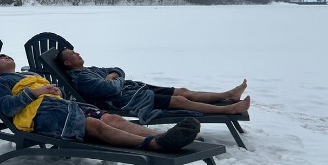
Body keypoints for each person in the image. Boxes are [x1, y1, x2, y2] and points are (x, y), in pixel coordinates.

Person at [0, 54, 201, 152]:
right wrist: (37, 91)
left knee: (113, 118)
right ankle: (153, 145)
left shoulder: (25, 75)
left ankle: (163, 137)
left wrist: (53, 90)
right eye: (2, 58)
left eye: (8, 55)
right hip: (45, 116)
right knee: (96, 126)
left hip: (62, 106)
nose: (8, 57)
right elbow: (8, 107)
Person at [55, 48, 250, 124]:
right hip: (128, 99)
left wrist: (114, 76)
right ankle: (229, 109)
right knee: (180, 100)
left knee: (183, 91)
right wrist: (115, 80)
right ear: (68, 64)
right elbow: (112, 89)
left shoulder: (92, 69)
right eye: (73, 54)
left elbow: (117, 70)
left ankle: (229, 94)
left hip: (134, 88)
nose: (78, 53)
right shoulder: (82, 79)